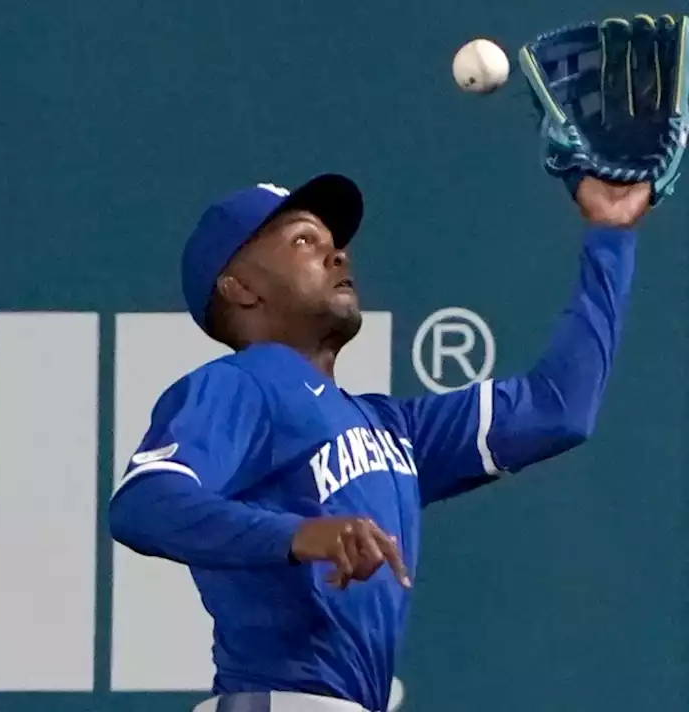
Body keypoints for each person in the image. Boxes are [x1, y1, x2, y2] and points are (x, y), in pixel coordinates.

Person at [107, 172, 652, 712]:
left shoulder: (389, 427)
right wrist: (300, 535)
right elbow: (142, 504)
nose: (338, 256)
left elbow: (559, 408)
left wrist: (611, 234)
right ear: (240, 287)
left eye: (335, 243)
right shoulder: (243, 382)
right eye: (304, 240)